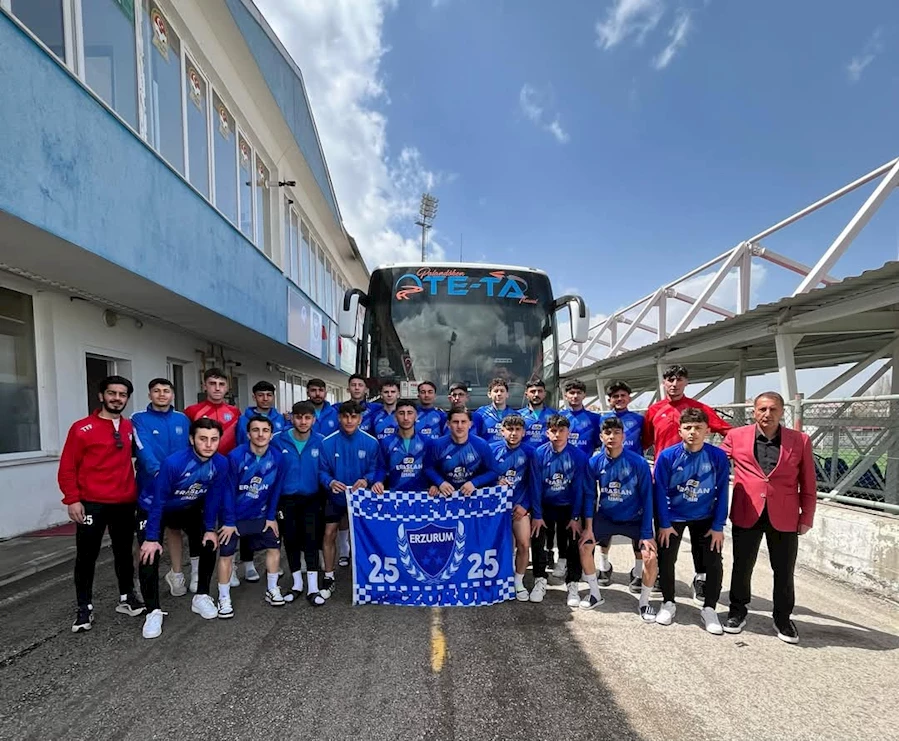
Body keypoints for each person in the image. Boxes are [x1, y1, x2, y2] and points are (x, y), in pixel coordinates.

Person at [721, 392, 817, 644]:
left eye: (773, 409)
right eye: (762, 409)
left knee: (784, 570)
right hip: (747, 511)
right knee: (742, 566)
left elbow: (808, 481)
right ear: (754, 411)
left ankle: (783, 618)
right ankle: (737, 611)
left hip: (785, 515)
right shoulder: (736, 436)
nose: (767, 414)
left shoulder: (800, 440)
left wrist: (807, 516)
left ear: (782, 412)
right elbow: (714, 462)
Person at [58, 375, 145, 633]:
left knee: (124, 552)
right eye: (112, 393)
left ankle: (127, 597)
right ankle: (84, 607)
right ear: (101, 396)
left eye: (122, 394)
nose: (117, 398)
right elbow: (67, 467)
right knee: (87, 556)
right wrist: (72, 499)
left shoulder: (129, 427)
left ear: (127, 399)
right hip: (92, 503)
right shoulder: (81, 428)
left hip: (124, 501)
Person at [642, 364, 732, 603]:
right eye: (670, 379)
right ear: (664, 382)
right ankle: (662, 576)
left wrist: (720, 457)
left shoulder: (700, 409)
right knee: (665, 536)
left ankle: (701, 578)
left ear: (686, 382)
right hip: (666, 480)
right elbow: (645, 440)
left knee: (700, 539)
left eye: (679, 379)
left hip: (698, 482)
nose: (674, 384)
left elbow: (729, 432)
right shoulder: (654, 410)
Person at [136, 418, 231, 637]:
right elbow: (158, 501)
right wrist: (152, 538)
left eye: (214, 439)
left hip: (187, 505)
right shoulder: (174, 463)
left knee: (209, 541)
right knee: (148, 554)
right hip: (153, 507)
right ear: (191, 439)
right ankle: (153, 611)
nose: (208, 444)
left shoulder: (221, 463)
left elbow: (213, 498)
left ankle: (202, 596)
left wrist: (210, 528)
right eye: (203, 439)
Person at [653, 408, 730, 634]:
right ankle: (668, 602)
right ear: (680, 431)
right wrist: (664, 523)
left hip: (705, 517)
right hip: (673, 516)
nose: (693, 432)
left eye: (698, 428)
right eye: (687, 428)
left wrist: (718, 526)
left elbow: (722, 492)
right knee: (666, 559)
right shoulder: (667, 456)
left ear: (707, 431)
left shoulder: (717, 457)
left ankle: (710, 608)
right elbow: (660, 491)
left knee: (713, 561)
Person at [578, 417, 657, 620]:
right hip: (606, 517)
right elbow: (590, 495)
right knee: (585, 547)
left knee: (650, 556)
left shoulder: (638, 462)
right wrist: (588, 527)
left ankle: (644, 602)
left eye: (616, 433)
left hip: (634, 518)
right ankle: (594, 594)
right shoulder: (594, 462)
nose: (612, 437)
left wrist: (647, 533)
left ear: (623, 436)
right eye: (607, 433)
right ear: (601, 437)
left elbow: (648, 498)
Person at [217, 415, 287, 617]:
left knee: (274, 547)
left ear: (271, 434)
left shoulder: (278, 457)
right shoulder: (234, 457)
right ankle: (224, 598)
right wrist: (229, 521)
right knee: (226, 555)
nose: (260, 434)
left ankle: (272, 589)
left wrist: (271, 516)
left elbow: (276, 490)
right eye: (255, 430)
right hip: (235, 516)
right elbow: (227, 491)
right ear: (248, 434)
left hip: (261, 515)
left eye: (265, 430)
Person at [132, 378, 193, 596]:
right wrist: (158, 472)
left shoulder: (182, 419)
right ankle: (141, 581)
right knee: (147, 536)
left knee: (175, 530)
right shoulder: (139, 419)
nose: (161, 394)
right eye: (156, 391)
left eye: (166, 391)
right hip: (150, 486)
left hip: (178, 487)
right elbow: (142, 447)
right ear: (149, 395)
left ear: (172, 395)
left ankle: (176, 574)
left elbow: (189, 449)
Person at [319, 401, 382, 599]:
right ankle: (329, 576)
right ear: (339, 418)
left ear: (360, 419)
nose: (349, 420)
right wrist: (330, 482)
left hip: (361, 499)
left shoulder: (371, 442)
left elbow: (375, 469)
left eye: (353, 417)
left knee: (367, 536)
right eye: (345, 416)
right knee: (329, 533)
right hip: (336, 497)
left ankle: (369, 576)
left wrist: (366, 480)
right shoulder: (327, 442)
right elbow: (322, 471)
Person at [529, 414, 591, 607]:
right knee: (537, 540)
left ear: (568, 432)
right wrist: (536, 515)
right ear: (547, 433)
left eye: (561, 430)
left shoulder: (578, 456)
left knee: (574, 544)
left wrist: (575, 516)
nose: (557, 435)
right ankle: (540, 579)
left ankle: (572, 583)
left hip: (568, 507)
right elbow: (535, 486)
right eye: (553, 431)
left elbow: (579, 488)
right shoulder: (538, 454)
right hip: (545, 505)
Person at [274, 401, 327, 606]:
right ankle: (296, 584)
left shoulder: (321, 441)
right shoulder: (278, 440)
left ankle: (313, 587)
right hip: (286, 500)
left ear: (314, 420)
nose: (303, 422)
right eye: (298, 417)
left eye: (307, 418)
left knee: (312, 540)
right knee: (291, 540)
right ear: (291, 418)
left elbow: (325, 470)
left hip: (312, 498)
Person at [490, 415, 537, 602]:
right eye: (509, 429)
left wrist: (525, 506)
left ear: (523, 432)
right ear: (502, 431)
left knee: (524, 544)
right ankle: (503, 579)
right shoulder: (491, 450)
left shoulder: (531, 452)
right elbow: (482, 476)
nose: (513, 433)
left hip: (519, 507)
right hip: (497, 509)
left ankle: (518, 582)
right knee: (502, 546)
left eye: (517, 429)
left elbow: (534, 484)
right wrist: (495, 481)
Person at [337, 375, 372, 566]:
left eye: (360, 385)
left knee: (365, 517)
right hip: (343, 470)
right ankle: (344, 550)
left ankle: (363, 553)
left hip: (365, 469)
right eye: (353, 385)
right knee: (342, 516)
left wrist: (368, 479)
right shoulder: (337, 409)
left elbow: (376, 464)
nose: (357, 388)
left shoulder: (375, 410)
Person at [425, 406, 499, 496]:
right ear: (448, 424)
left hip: (472, 496)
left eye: (463, 422)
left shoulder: (481, 445)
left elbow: (494, 471)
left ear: (470, 424)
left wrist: (475, 483)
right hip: (445, 495)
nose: (459, 426)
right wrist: (439, 482)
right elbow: (428, 468)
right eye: (455, 422)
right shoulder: (437, 445)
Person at [374, 400, 431, 493]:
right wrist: (378, 482)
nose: (406, 418)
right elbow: (381, 467)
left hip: (421, 495)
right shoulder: (386, 442)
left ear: (416, 416)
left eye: (410, 413)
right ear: (395, 417)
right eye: (401, 413)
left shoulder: (427, 441)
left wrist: (434, 484)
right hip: (395, 495)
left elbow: (432, 467)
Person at [184, 368, 241, 455]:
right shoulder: (192, 411)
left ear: (227, 388)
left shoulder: (235, 412)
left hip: (230, 461)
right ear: (204, 386)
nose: (217, 388)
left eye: (221, 384)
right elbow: (185, 441)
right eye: (212, 383)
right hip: (202, 461)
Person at [235, 380, 286, 448]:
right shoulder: (243, 420)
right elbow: (239, 444)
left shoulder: (281, 419)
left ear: (273, 397)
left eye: (269, 395)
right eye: (260, 395)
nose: (265, 399)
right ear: (254, 397)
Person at [599, 380, 644, 453]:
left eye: (623, 395)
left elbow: (646, 441)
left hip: (633, 459)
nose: (619, 399)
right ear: (609, 400)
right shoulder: (603, 419)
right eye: (615, 396)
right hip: (609, 459)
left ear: (629, 398)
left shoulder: (639, 419)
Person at [472, 377, 516, 443]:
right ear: (489, 394)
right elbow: (474, 437)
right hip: (487, 449)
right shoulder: (480, 413)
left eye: (502, 391)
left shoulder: (515, 415)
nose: (499, 394)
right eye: (496, 391)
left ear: (507, 394)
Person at [517, 378, 556, 447]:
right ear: (526, 394)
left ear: (545, 394)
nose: (536, 394)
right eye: (533, 391)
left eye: (540, 391)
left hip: (546, 453)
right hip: (525, 453)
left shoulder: (554, 415)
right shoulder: (518, 415)